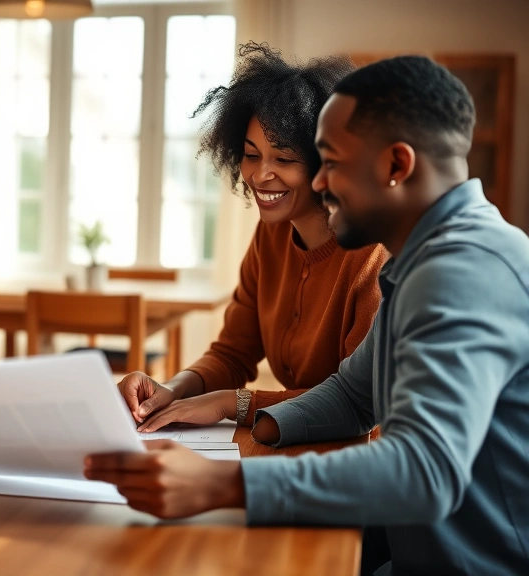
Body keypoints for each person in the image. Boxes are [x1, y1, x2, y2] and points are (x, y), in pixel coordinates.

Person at [86, 55, 529, 575]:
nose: (320, 185)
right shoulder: (427, 260)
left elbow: (424, 470)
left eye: (332, 163)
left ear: (396, 166)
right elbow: (351, 395)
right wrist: (231, 419)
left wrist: (224, 484)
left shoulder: (467, 271)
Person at [120, 43, 387, 432]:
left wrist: (230, 403)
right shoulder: (270, 236)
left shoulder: (372, 256)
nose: (261, 175)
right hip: (295, 445)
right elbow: (232, 355)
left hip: (360, 462)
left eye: (284, 159)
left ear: (326, 163)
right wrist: (170, 390)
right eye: (250, 154)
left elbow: (357, 403)